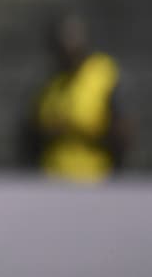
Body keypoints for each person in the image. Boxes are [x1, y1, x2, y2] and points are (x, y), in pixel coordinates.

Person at [18, 12, 130, 182]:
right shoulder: (49, 83)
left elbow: (122, 132)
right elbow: (30, 133)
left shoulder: (103, 75)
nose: (66, 51)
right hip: (51, 180)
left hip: (95, 180)